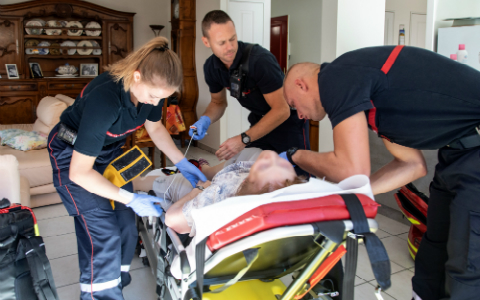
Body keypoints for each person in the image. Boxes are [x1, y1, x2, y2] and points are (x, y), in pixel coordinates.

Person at [282, 45, 480, 300]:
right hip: (456, 154)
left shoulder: (335, 75)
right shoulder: (376, 105)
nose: (299, 114)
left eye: (293, 104)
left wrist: (293, 155)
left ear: (301, 85)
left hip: (474, 153)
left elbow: (351, 168)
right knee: (433, 251)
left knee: (467, 263)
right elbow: (411, 165)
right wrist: (349, 194)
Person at [47, 36, 206, 300]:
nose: (155, 104)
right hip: (72, 155)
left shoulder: (149, 95)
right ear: (136, 76)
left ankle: (115, 280)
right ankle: (102, 294)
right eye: (154, 96)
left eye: (162, 98)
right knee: (103, 232)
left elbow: (155, 128)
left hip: (107, 153)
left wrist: (181, 162)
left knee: (125, 225)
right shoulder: (106, 98)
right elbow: (79, 172)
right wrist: (130, 197)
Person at [191, 10, 310, 175]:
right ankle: (206, 170)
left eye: (232, 39)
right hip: (260, 122)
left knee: (295, 178)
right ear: (206, 41)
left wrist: (243, 139)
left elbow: (282, 110)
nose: (230, 47)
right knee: (254, 174)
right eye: (222, 42)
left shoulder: (260, 61)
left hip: (288, 124)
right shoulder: (212, 67)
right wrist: (205, 119)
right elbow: (218, 102)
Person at [133, 149, 306, 236]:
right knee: (251, 152)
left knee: (158, 179)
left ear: (247, 181)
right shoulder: (259, 180)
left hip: (202, 187)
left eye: (268, 164)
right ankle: (205, 168)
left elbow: (173, 220)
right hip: (225, 176)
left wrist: (198, 189)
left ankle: (131, 184)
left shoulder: (215, 196)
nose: (272, 157)